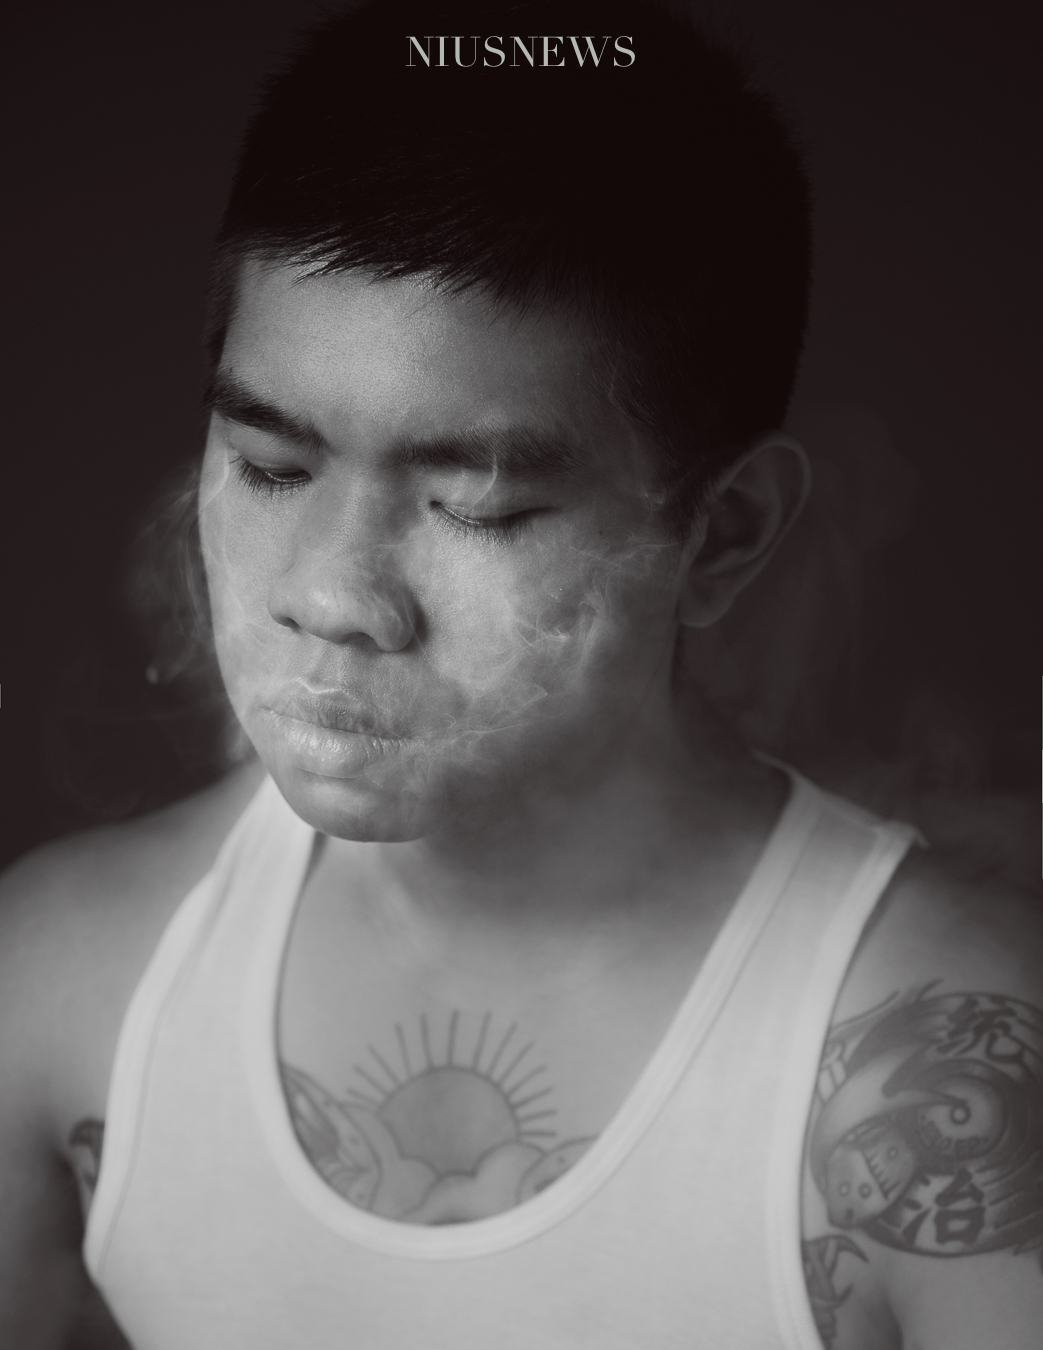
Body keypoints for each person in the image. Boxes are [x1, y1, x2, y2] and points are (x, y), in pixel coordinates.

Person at [1, 1, 1039, 1346]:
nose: (332, 596)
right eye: (271, 467)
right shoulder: (65, 981)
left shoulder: (943, 1062)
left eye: (477, 508)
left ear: (723, 533)